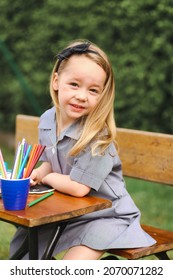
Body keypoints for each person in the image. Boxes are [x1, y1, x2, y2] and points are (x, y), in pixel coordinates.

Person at [10, 39, 156, 260]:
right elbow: (50, 159)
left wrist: (48, 177)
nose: (82, 96)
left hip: (106, 217)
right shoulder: (48, 119)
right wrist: (38, 173)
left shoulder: (98, 139)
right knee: (25, 249)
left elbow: (79, 188)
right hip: (70, 213)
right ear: (57, 81)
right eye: (74, 85)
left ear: (102, 95)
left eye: (93, 90)